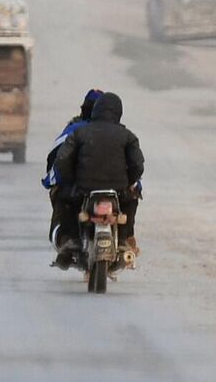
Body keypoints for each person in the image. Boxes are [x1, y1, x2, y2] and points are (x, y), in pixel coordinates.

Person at [51, 91, 144, 264]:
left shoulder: (79, 133)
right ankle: (124, 239)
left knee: (66, 200)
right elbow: (137, 165)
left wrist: (71, 181)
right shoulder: (128, 136)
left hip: (84, 189)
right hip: (118, 190)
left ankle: (70, 239)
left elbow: (62, 159)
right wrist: (129, 183)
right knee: (132, 200)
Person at [44, 89, 103, 265]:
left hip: (79, 186)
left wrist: (51, 180)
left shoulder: (74, 130)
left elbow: (55, 157)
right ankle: (125, 239)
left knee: (63, 199)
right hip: (114, 186)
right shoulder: (118, 131)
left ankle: (66, 238)